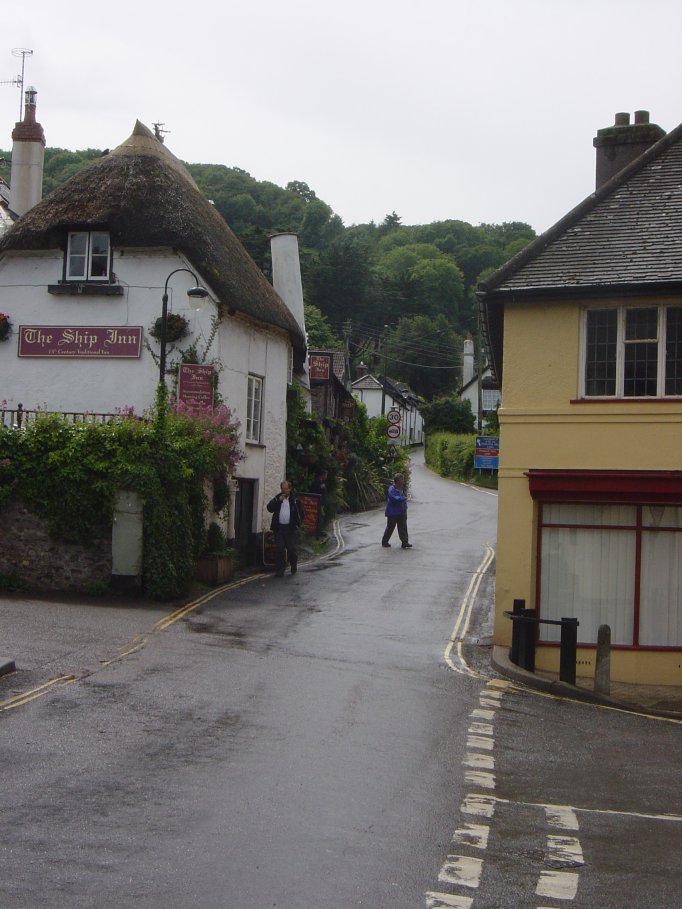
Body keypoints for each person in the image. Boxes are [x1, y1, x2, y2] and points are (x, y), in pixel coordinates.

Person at [267, 479, 305, 576]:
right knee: (280, 549)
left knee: (291, 549)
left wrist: (297, 525)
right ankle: (280, 570)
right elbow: (269, 508)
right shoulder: (278, 498)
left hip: (290, 528)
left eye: (285, 488)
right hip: (279, 528)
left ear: (290, 489)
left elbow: (301, 514)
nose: (283, 491)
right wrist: (277, 500)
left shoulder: (295, 500)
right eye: (282, 488)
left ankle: (293, 564)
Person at [381, 472, 412, 549]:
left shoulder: (401, 488)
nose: (403, 481)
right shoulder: (391, 489)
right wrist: (403, 498)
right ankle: (385, 541)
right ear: (397, 481)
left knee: (403, 527)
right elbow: (394, 498)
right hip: (393, 512)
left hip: (402, 511)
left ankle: (405, 542)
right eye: (402, 480)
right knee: (390, 527)